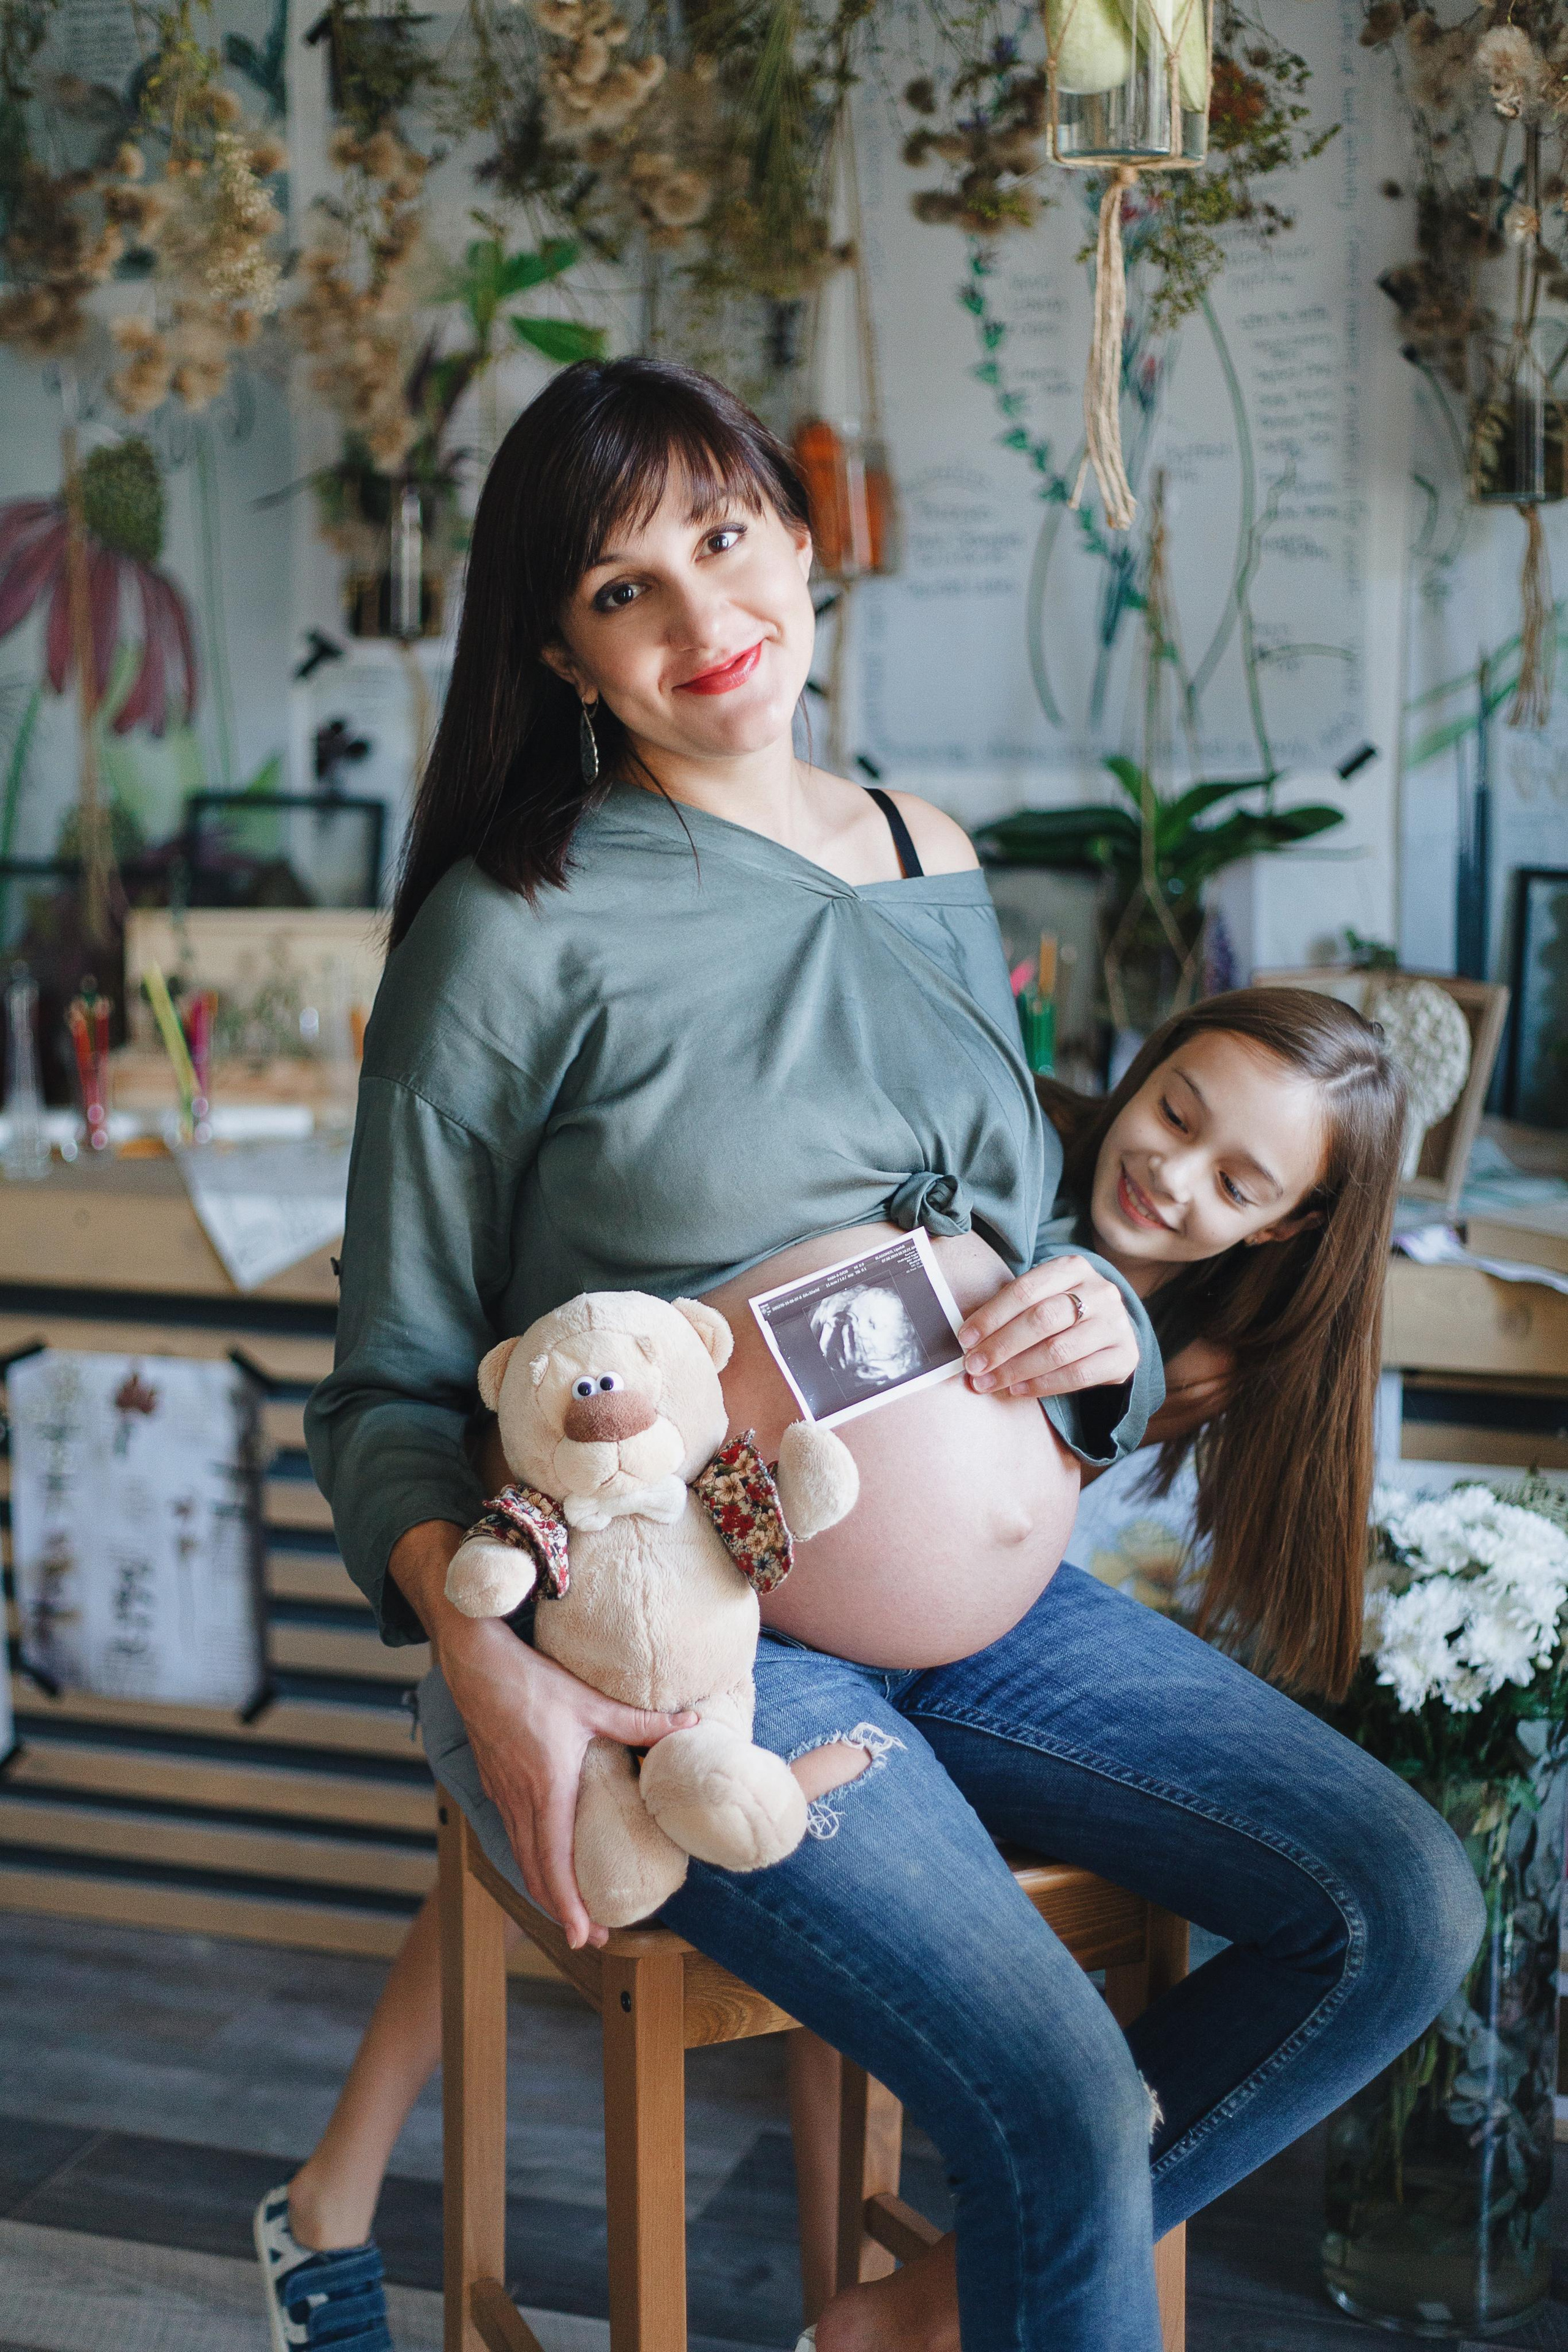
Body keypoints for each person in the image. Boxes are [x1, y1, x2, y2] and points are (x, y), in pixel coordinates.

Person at [257, 356, 1483, 2352]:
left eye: (722, 539)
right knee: (1063, 2097)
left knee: (1400, 1905)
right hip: (714, 1651)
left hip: (1004, 1617)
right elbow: (388, 1381)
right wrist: (477, 1659)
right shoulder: (513, 926)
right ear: (564, 657)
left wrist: (1100, 1306)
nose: (697, 617)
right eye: (617, 589)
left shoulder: (924, 845)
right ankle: (1011, 2259)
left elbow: (1006, 1226)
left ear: (802, 541)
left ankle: (908, 2323)